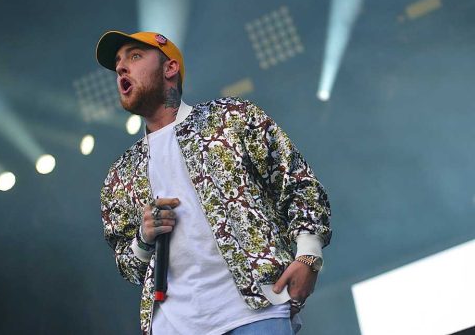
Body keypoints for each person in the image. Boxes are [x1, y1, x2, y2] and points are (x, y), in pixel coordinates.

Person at [97, 30, 332, 335]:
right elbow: (127, 266)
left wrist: (309, 255)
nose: (121, 68)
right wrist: (144, 237)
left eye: (135, 56)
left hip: (254, 312)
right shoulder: (121, 174)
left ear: (170, 68)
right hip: (173, 326)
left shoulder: (231, 119)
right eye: (118, 63)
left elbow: (298, 183)